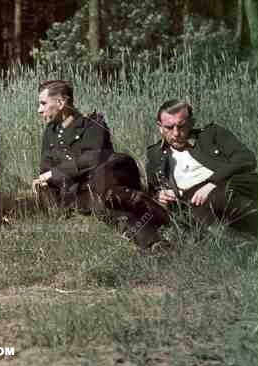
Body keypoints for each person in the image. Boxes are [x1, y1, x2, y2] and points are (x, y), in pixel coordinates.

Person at [33, 80, 170, 250]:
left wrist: (55, 174)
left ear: (61, 102)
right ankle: (155, 242)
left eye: (43, 103)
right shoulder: (50, 133)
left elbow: (93, 158)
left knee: (105, 195)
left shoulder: (93, 124)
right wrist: (46, 183)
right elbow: (45, 168)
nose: (39, 109)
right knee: (106, 209)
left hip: (109, 178)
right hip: (82, 191)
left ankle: (157, 214)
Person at [146, 99, 258, 235]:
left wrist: (212, 182)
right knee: (197, 215)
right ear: (160, 127)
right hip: (192, 204)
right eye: (169, 127)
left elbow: (246, 158)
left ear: (191, 123)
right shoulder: (154, 154)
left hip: (228, 185)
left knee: (220, 196)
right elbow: (151, 191)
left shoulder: (210, 135)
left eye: (181, 126)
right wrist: (160, 196)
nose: (176, 133)